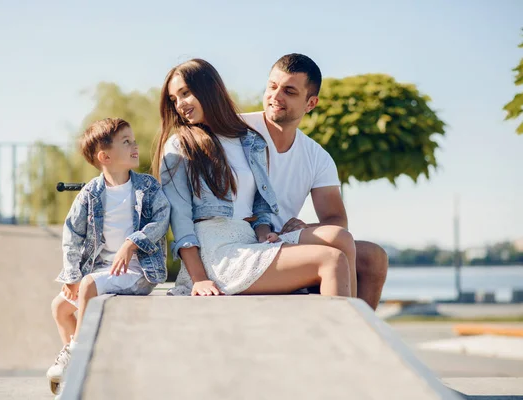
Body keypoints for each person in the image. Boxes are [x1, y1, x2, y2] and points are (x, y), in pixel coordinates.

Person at [152, 58, 355, 297]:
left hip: (251, 242)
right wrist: (199, 279)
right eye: (174, 99)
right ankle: (346, 334)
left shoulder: (249, 140)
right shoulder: (179, 145)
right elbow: (180, 218)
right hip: (216, 254)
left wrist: (263, 231)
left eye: (185, 93)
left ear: (208, 88)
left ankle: (346, 332)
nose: (180, 104)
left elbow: (259, 202)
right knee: (330, 260)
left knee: (339, 246)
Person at [241, 53, 388, 309]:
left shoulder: (317, 156)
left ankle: (359, 337)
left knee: (374, 257)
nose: (276, 97)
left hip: (283, 242)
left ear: (311, 103)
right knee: (336, 249)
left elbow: (336, 220)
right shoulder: (237, 131)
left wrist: (302, 228)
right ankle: (343, 329)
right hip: (245, 242)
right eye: (272, 87)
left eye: (289, 91)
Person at [46, 118, 170, 392]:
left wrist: (132, 243)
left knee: (89, 286)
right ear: (105, 156)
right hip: (103, 269)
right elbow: (71, 235)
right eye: (126, 142)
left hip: (138, 271)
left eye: (133, 140)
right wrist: (71, 275)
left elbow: (161, 219)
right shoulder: (91, 193)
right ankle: (73, 362)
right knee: (60, 307)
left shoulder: (147, 187)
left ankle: (76, 358)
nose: (135, 145)